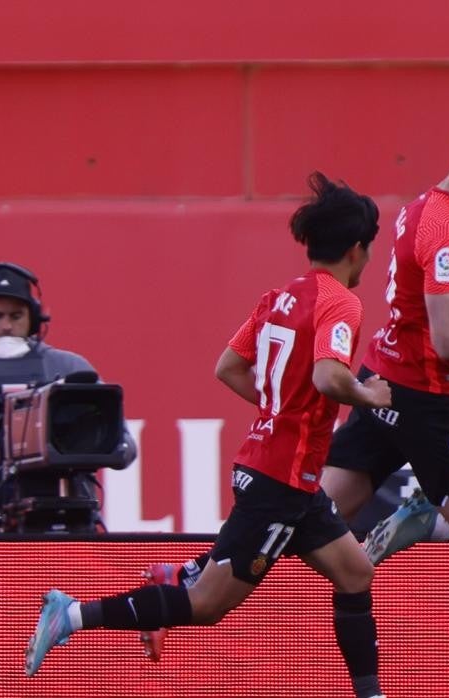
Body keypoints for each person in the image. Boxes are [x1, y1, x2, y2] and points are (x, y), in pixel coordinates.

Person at [146, 113, 449, 697]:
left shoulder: (425, 209)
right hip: (419, 398)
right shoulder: (446, 232)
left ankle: (186, 575)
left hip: (381, 385)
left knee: (302, 513)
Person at [23, 172, 393, 698]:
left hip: (288, 473)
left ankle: (369, 693)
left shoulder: (279, 298)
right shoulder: (341, 302)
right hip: (280, 479)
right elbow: (329, 376)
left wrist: (280, 410)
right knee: (207, 605)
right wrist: (369, 396)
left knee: (355, 573)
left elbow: (228, 367)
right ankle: (74, 614)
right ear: (357, 250)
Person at [0, 261, 137, 533]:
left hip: (72, 525)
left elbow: (124, 445)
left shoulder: (72, 370)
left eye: (16, 316)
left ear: (33, 318)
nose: (7, 326)